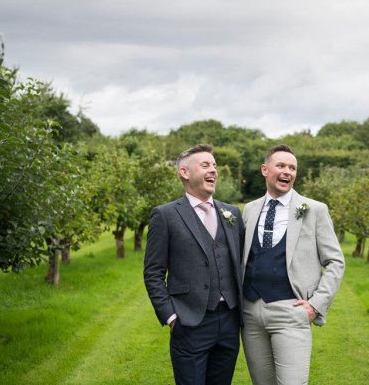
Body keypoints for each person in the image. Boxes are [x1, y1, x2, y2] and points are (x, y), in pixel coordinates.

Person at [241, 144, 345, 385]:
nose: (288, 171)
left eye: (293, 167)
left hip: (291, 311)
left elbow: (336, 261)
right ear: (265, 170)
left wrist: (316, 305)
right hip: (250, 314)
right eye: (281, 166)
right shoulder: (250, 209)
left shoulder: (315, 210)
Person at [143, 144, 244, 385]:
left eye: (215, 166)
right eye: (206, 165)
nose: (214, 171)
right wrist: (170, 316)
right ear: (184, 172)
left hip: (229, 321)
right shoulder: (165, 215)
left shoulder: (232, 213)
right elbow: (153, 272)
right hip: (189, 322)